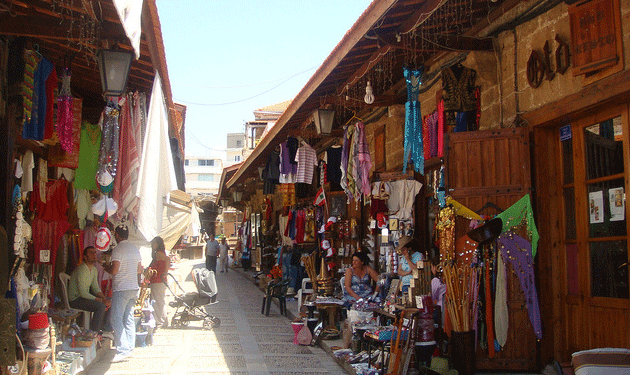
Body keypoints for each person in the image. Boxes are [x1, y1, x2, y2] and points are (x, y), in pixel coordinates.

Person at [104, 224, 142, 363]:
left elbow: (114, 270)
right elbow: (139, 270)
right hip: (133, 288)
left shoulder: (118, 250)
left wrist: (105, 266)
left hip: (122, 288)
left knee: (116, 318)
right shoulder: (134, 249)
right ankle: (129, 348)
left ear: (118, 236)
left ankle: (123, 349)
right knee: (128, 318)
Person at [68, 246, 111, 333]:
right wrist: (101, 300)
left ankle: (105, 329)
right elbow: (83, 293)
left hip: (83, 297)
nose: (94, 254)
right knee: (100, 306)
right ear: (85, 257)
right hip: (76, 299)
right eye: (91, 253)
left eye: (95, 252)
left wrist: (104, 298)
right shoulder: (82, 270)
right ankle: (93, 333)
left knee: (110, 301)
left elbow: (95, 288)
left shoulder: (94, 269)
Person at [147, 236, 171, 329]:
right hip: (158, 280)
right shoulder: (159, 253)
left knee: (158, 301)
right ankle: (162, 320)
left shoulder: (158, 254)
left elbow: (168, 259)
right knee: (160, 300)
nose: (153, 245)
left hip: (158, 280)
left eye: (154, 243)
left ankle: (160, 321)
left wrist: (165, 272)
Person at [430, 255, 446, 327]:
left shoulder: (436, 280)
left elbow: (432, 298)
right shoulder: (446, 279)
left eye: (432, 267)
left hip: (440, 311)